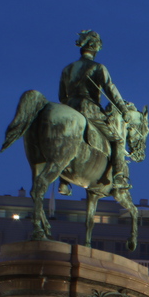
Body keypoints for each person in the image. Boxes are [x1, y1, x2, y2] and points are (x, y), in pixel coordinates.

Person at [58, 30, 131, 195]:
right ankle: (119, 177)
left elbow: (62, 96)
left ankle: (63, 181)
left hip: (69, 109)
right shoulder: (98, 68)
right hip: (89, 110)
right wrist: (123, 109)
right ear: (94, 48)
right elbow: (110, 89)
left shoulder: (67, 69)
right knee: (118, 140)